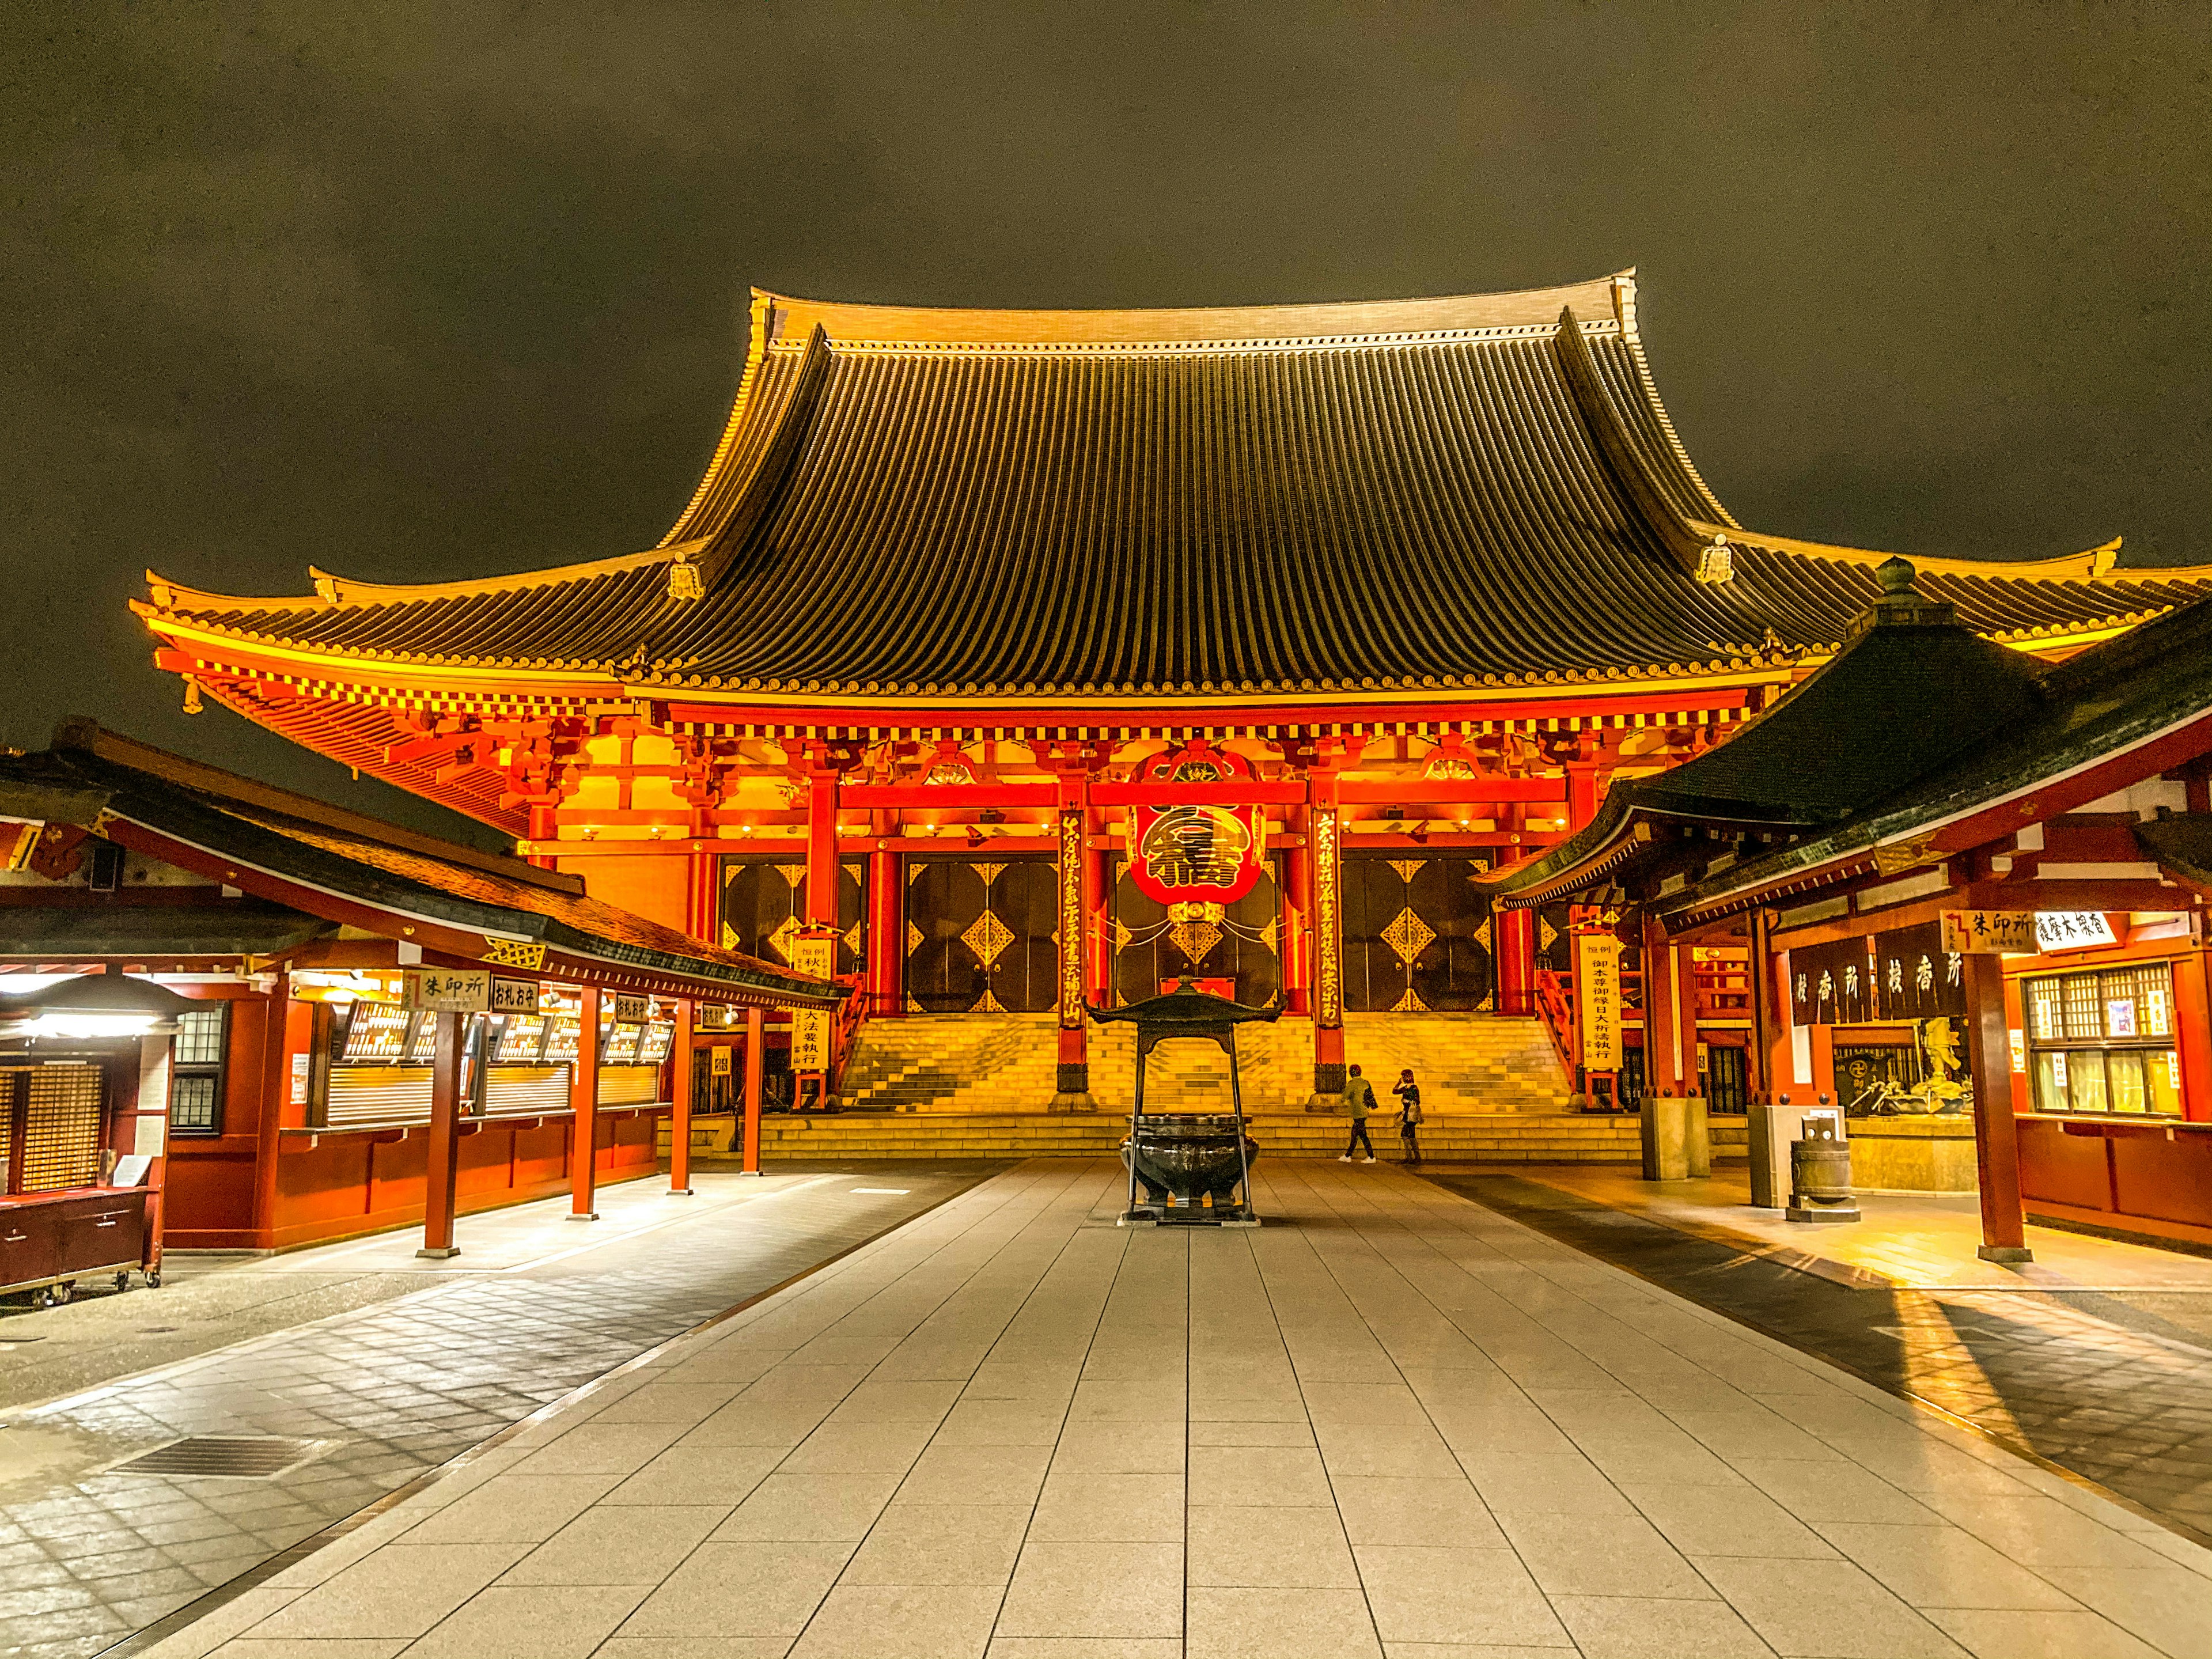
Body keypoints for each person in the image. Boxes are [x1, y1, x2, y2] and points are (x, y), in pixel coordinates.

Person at [1338, 1064, 1377, 1163]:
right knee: (1358, 1134)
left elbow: (1344, 1097)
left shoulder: (1352, 1084)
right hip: (1364, 1111)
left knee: (1359, 1135)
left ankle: (1370, 1157)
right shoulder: (1365, 1083)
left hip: (1357, 1112)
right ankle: (1349, 1155)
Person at [1393, 1069, 1423, 1164]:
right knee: (1409, 1136)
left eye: (1403, 1076)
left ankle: (1413, 1157)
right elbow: (1394, 1091)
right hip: (1407, 1115)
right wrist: (1399, 1083)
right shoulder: (1406, 1088)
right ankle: (1413, 1157)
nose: (1402, 1078)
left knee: (1406, 1135)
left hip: (1411, 1115)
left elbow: (1416, 1101)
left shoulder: (1413, 1088)